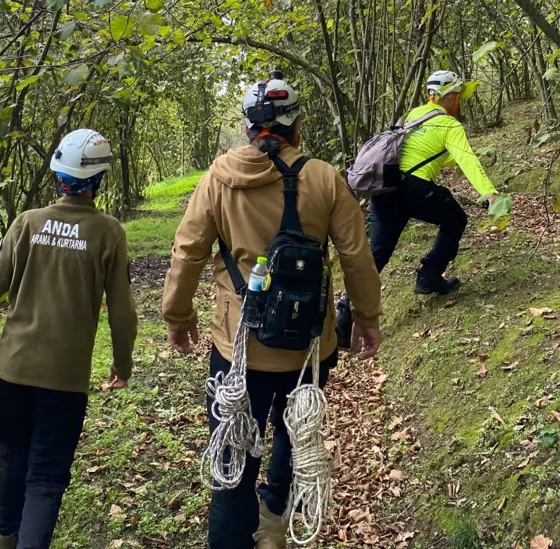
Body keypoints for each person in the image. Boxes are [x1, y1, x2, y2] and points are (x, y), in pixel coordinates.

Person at [161, 72, 382, 549]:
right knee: (293, 428)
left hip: (237, 348)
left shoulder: (219, 179)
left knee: (233, 460)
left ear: (248, 128)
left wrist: (179, 319)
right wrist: (366, 318)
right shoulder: (324, 179)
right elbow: (356, 255)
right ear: (296, 127)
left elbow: (187, 253)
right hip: (308, 349)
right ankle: (275, 521)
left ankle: (234, 535)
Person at [0, 129, 138, 549]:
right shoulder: (109, 233)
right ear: (99, 179)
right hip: (65, 381)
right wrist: (122, 364)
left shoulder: (27, 224)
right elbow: (123, 313)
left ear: (58, 174)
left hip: (11, 374)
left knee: (13, 464)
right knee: (45, 479)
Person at [336, 69, 499, 348]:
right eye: (456, 96)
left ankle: (342, 322)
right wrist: (489, 193)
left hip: (386, 188)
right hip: (415, 188)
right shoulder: (449, 125)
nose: (458, 102)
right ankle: (429, 275)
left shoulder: (413, 116)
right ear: (448, 97)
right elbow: (466, 159)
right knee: (456, 219)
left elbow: (428, 155)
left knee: (378, 254)